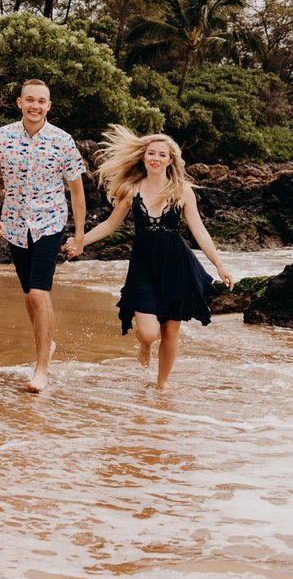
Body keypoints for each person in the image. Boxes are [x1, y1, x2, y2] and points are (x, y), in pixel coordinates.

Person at [68, 126, 235, 391]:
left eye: (161, 155)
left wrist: (220, 265)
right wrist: (80, 241)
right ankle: (144, 345)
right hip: (143, 267)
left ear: (171, 160)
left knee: (170, 330)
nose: (156, 158)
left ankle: (162, 385)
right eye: (151, 154)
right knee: (148, 332)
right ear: (144, 157)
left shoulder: (182, 190)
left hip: (176, 265)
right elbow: (110, 225)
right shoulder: (131, 189)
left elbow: (199, 230)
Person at [0, 78, 88, 395]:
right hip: (14, 225)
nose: (35, 106)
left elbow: (77, 192)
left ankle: (42, 368)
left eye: (41, 101)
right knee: (30, 296)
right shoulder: (2, 138)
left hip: (50, 223)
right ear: (19, 102)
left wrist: (79, 236)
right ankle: (46, 342)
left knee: (39, 294)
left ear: (49, 106)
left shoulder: (62, 141)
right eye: (30, 100)